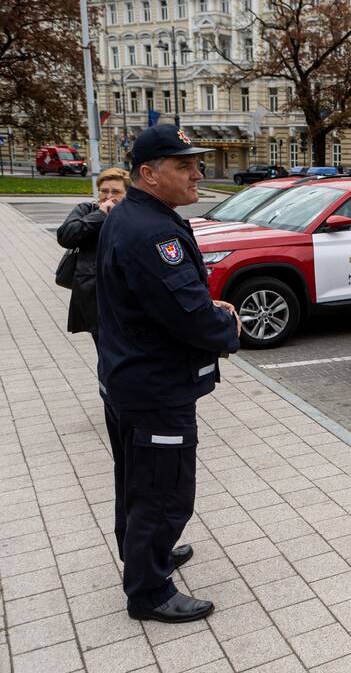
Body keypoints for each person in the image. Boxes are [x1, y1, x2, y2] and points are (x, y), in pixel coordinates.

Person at [96, 124, 241, 623]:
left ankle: (143, 553)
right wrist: (226, 324)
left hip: (130, 378)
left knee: (137, 480)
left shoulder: (133, 215)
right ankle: (149, 589)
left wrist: (200, 304)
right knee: (164, 491)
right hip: (155, 386)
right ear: (148, 174)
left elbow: (158, 300)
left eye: (194, 163)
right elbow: (190, 318)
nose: (197, 174)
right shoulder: (153, 230)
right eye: (184, 166)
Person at [57, 168, 130, 343]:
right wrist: (100, 214)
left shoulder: (132, 216)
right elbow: (66, 236)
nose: (108, 196)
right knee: (105, 354)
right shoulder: (87, 210)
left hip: (124, 298)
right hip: (94, 296)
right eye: (104, 191)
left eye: (116, 192)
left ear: (127, 194)